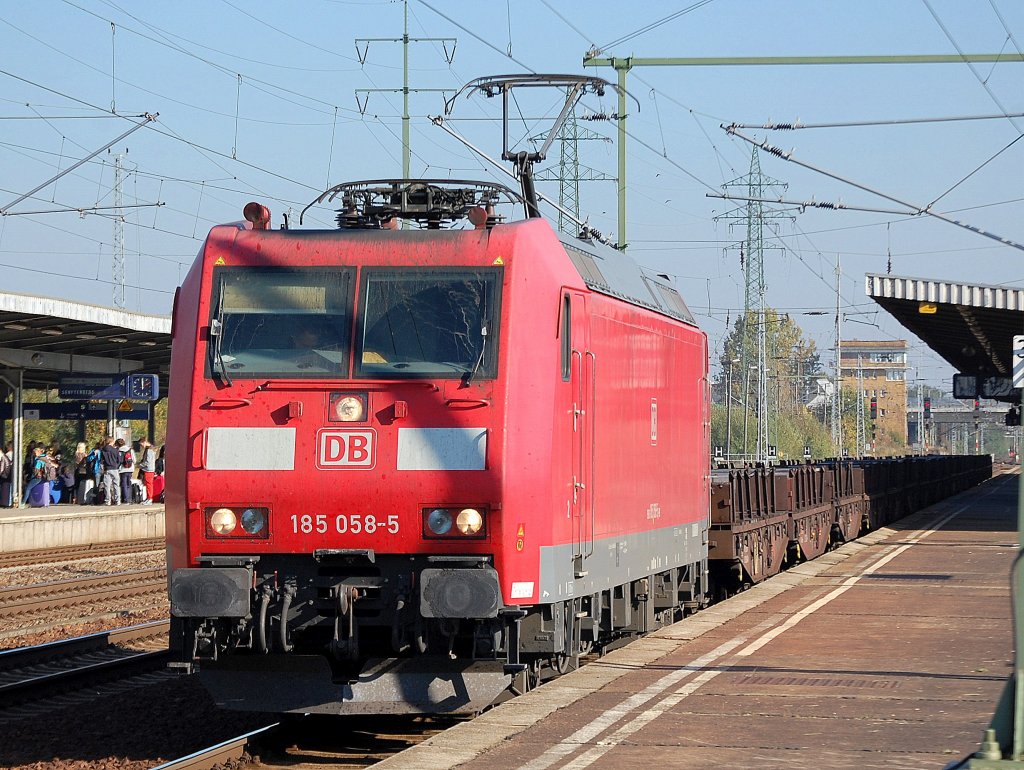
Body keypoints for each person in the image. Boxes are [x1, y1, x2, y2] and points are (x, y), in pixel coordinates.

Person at [100, 436, 121, 506]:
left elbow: (101, 461)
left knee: (107, 486)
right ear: (111, 442)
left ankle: (107, 501)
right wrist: (117, 466)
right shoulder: (115, 450)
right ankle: (118, 501)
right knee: (116, 485)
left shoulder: (103, 450)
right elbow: (119, 460)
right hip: (115, 469)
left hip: (107, 469)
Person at [137, 438, 156, 504]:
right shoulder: (151, 449)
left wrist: (140, 465)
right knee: (148, 484)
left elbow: (148, 461)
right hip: (149, 469)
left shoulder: (149, 450)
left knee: (149, 484)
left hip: (148, 469)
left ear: (144, 442)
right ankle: (148, 498)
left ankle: (150, 498)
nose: (141, 446)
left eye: (141, 444)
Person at [117, 438, 134, 505]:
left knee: (123, 484)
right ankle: (130, 498)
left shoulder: (118, 451)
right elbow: (134, 460)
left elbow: (118, 461)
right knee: (129, 483)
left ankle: (126, 499)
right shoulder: (130, 450)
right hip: (130, 469)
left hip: (122, 469)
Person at [0, 443, 13, 508]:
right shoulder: (6, 456)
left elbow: (2, 468)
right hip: (8, 475)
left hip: (4, 475)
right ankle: (7, 502)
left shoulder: (4, 457)